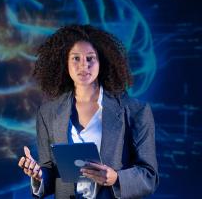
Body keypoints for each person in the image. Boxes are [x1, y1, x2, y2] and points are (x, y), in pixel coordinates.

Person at [18, 24, 158, 199]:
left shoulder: (135, 111)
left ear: (102, 62)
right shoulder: (47, 113)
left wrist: (116, 178)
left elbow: (149, 176)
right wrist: (38, 175)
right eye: (75, 58)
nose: (83, 65)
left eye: (90, 58)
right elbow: (51, 170)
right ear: (65, 63)